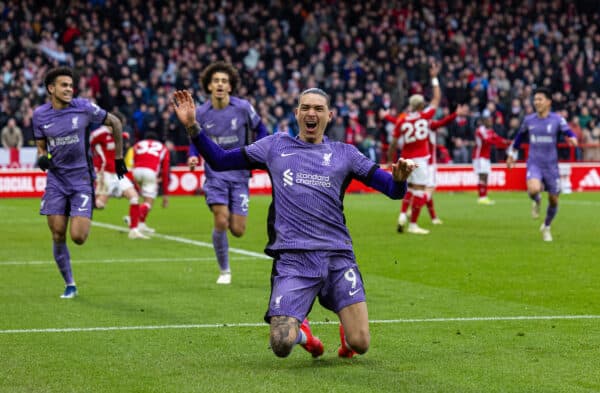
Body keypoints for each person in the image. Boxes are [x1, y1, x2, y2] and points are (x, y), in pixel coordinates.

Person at [173, 88, 416, 359]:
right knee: (281, 343)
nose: (312, 113)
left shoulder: (345, 154)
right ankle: (306, 335)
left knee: (361, 343)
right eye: (306, 108)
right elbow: (219, 160)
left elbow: (393, 191)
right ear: (297, 113)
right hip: (294, 259)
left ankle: (346, 337)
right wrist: (193, 126)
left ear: (330, 115)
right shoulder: (274, 146)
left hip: (337, 256)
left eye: (319, 109)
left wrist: (399, 179)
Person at [33, 66, 127, 298]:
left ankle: (86, 209)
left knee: (78, 237)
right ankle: (70, 284)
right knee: (57, 233)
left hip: (82, 179)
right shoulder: (39, 115)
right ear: (51, 88)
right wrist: (42, 158)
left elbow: (115, 122)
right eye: (63, 85)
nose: (69, 89)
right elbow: (41, 147)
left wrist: (118, 158)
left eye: (71, 86)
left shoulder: (84, 108)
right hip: (56, 180)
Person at [186, 61, 268, 285]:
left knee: (238, 230)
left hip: (240, 175)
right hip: (215, 175)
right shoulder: (201, 112)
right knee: (221, 221)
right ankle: (224, 270)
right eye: (216, 81)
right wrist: (193, 155)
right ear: (209, 86)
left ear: (230, 87)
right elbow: (194, 138)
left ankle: (225, 259)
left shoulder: (243, 108)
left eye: (224, 81)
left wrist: (259, 150)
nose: (220, 84)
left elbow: (261, 128)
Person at [507, 87, 578, 242]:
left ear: (548, 102)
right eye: (535, 99)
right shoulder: (529, 120)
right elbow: (519, 139)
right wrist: (512, 155)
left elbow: (569, 133)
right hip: (534, 163)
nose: (536, 102)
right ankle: (537, 199)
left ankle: (546, 226)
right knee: (533, 189)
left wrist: (573, 139)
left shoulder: (557, 120)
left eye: (540, 99)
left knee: (553, 200)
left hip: (551, 166)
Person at [388, 62, 441, 235]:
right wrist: (434, 78)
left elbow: (394, 142)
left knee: (410, 188)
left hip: (405, 157)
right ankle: (413, 225)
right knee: (420, 190)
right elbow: (436, 99)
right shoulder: (425, 115)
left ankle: (403, 215)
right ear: (420, 106)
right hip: (420, 159)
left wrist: (390, 158)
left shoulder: (401, 120)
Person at [89, 125, 147, 239]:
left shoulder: (118, 134)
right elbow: (86, 144)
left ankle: (133, 231)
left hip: (118, 173)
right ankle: (79, 211)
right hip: (104, 173)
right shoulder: (98, 134)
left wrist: (124, 136)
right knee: (99, 205)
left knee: (134, 196)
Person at [131, 132, 170, 233]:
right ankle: (132, 217)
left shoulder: (138, 144)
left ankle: (141, 224)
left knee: (143, 199)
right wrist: (165, 193)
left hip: (136, 171)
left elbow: (132, 159)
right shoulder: (163, 148)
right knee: (149, 202)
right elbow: (165, 171)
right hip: (150, 172)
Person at [473, 113, 510, 205]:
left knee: (486, 176)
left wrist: (507, 142)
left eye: (491, 121)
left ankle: (484, 196)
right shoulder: (480, 131)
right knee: (482, 175)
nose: (491, 122)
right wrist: (498, 141)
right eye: (488, 121)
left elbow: (497, 138)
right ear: (484, 121)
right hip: (479, 156)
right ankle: (481, 197)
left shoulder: (490, 131)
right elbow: (487, 140)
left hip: (486, 156)